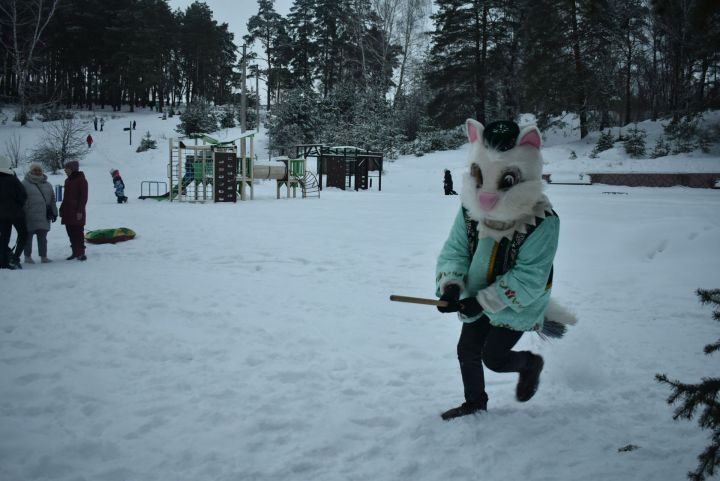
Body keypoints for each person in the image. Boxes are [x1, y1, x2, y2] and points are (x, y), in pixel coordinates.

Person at [435, 119, 560, 420]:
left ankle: (529, 365)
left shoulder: (543, 222)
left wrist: (481, 301)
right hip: (476, 290)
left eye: (504, 181)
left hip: (518, 303)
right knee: (467, 350)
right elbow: (457, 249)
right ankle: (475, 402)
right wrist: (451, 285)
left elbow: (529, 277)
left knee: (493, 357)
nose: (487, 196)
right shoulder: (470, 209)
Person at [21, 162, 58, 264]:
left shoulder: (48, 184)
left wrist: (54, 212)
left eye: (39, 170)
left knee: (43, 238)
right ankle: (27, 257)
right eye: (35, 170)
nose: (37, 172)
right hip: (29, 216)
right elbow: (20, 200)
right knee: (28, 238)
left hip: (44, 216)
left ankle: (43, 256)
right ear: (31, 171)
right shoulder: (24, 183)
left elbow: (52, 200)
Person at [0, 155, 27, 269]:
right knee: (23, 234)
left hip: (1, 215)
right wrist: (18, 205)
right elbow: (23, 195)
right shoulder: (12, 179)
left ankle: (3, 262)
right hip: (16, 213)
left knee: (4, 237)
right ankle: (15, 258)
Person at [60, 160, 88, 261]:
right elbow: (65, 197)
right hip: (68, 211)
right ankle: (75, 252)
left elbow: (83, 197)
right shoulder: (67, 181)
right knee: (70, 232)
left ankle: (81, 253)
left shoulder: (81, 180)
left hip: (77, 212)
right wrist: (62, 208)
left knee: (78, 232)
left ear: (72, 169)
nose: (65, 170)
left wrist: (80, 211)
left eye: (66, 168)